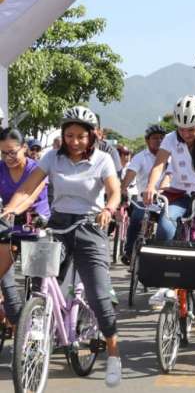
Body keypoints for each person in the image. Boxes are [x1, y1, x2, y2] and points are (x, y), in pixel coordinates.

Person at [1, 106, 122, 387]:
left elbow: (115, 190)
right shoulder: (52, 158)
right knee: (39, 278)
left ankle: (114, 353)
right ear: (63, 135)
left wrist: (109, 208)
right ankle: (38, 329)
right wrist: (10, 210)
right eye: (69, 135)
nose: (75, 141)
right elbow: (27, 189)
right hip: (58, 225)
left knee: (99, 296)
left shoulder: (103, 159)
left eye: (81, 136)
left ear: (92, 136)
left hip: (90, 226)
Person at [142, 95, 195, 350]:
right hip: (180, 195)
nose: (186, 133)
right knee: (166, 227)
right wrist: (150, 186)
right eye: (182, 128)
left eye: (191, 128)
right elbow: (159, 165)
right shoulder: (170, 138)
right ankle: (167, 286)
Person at [0, 128, 51, 334]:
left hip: (36, 227)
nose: (8, 158)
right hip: (9, 229)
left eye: (12, 152)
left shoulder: (37, 169)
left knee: (39, 285)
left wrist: (10, 210)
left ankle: (37, 325)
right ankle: (19, 327)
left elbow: (28, 196)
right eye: (3, 153)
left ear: (24, 148)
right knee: (5, 280)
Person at [120, 125, 169, 265]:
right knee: (136, 219)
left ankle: (165, 255)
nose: (159, 141)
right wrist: (122, 189)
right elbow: (130, 174)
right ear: (147, 141)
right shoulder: (140, 157)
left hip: (165, 201)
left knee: (168, 226)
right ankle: (129, 251)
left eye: (161, 138)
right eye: (155, 138)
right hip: (144, 201)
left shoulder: (171, 157)